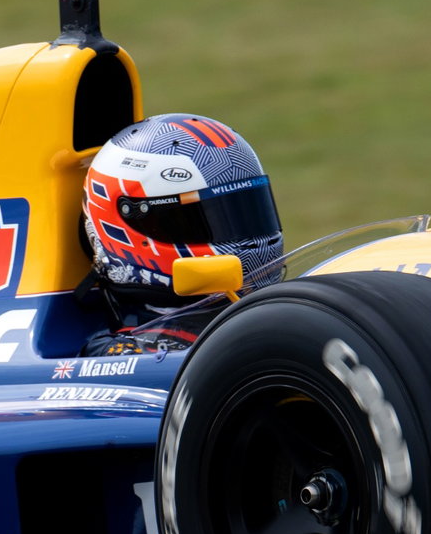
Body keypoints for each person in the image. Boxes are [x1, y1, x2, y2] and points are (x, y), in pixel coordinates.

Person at [78, 114, 284, 355]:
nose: (251, 242)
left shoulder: (285, 309)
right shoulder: (120, 354)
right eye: (199, 221)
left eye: (247, 211)